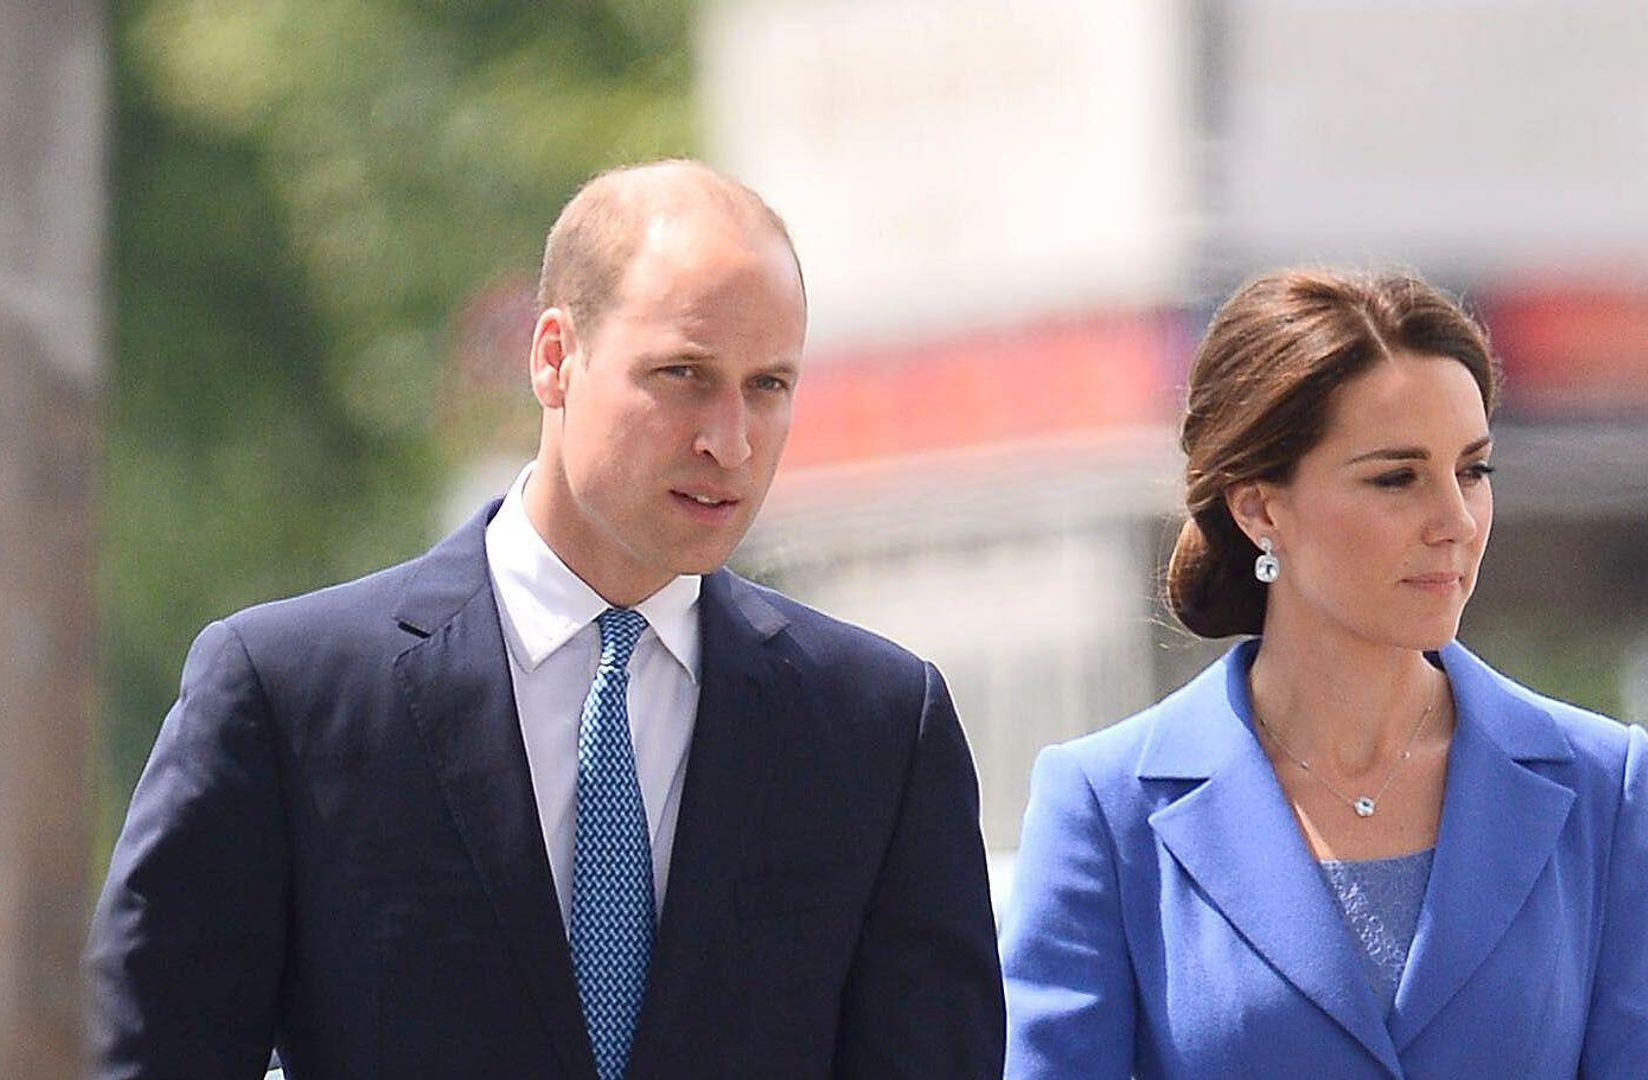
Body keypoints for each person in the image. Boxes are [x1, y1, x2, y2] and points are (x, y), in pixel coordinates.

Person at [87, 160, 1005, 1079]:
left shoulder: (878, 726)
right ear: (555, 356)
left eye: (768, 386)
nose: (730, 441)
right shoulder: (291, 695)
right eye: (682, 375)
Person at [999, 268, 1648, 1077]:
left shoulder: (1599, 788)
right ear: (1260, 507)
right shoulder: (1106, 808)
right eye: (1396, 478)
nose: (1454, 521)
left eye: (1473, 471)